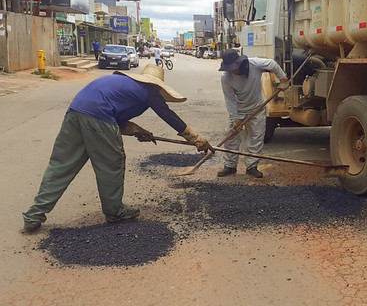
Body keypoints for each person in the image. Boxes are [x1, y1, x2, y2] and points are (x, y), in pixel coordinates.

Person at [22, 65, 211, 233]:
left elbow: (116, 121)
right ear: (158, 85)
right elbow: (169, 116)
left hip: (75, 113)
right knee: (111, 164)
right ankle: (114, 212)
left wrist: (139, 130)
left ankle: (34, 215)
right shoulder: (150, 91)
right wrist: (196, 139)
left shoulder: (121, 84)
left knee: (62, 165)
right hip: (99, 116)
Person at [218, 49, 288, 178]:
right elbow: (230, 100)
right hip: (238, 110)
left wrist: (283, 79)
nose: (233, 71)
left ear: (240, 63)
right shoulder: (226, 78)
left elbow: (273, 64)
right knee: (231, 136)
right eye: (229, 68)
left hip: (257, 108)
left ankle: (252, 166)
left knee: (256, 137)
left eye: (234, 68)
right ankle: (230, 166)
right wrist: (235, 119)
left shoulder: (255, 64)